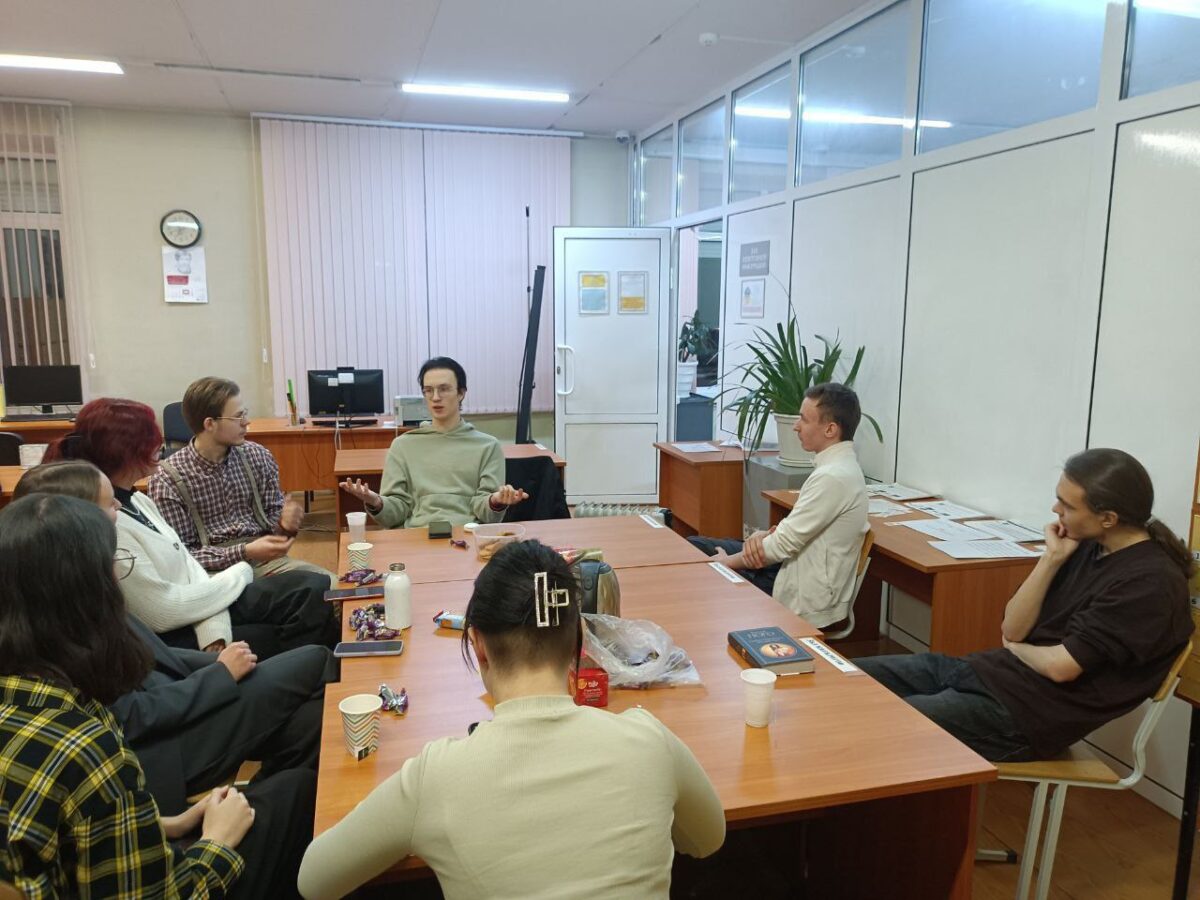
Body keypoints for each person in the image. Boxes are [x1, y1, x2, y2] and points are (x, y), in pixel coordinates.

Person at [297, 539, 726, 899]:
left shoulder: (437, 777)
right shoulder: (649, 741)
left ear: (478, 645)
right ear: (578, 641)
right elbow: (709, 840)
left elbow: (314, 880)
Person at [0, 493, 315, 899]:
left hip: (152, 808)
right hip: (180, 844)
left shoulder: (39, 692)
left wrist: (172, 822)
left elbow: (67, 834)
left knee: (301, 747)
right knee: (301, 789)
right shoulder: (84, 748)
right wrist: (216, 842)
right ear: (89, 595)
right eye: (111, 566)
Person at [13, 458, 331, 819]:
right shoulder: (58, 619)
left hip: (184, 701)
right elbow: (133, 716)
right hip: (168, 747)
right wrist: (218, 675)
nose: (119, 505)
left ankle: (280, 806)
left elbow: (155, 655)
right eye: (108, 502)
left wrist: (216, 662)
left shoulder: (74, 587)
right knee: (317, 659)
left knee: (311, 719)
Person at [857, 448, 1194, 762]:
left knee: (880, 723)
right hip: (993, 675)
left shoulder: (1149, 584)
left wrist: (1016, 649)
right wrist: (1051, 559)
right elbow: (1013, 627)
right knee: (851, 680)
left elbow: (1061, 667)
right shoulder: (1087, 544)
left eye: (1067, 505)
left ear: (1108, 518)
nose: (1056, 510)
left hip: (1027, 715)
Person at [42, 400, 339, 658]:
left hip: (203, 601)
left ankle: (314, 673)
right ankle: (304, 674)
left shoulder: (137, 500)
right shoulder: (109, 521)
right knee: (312, 608)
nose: (159, 446)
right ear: (123, 451)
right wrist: (241, 569)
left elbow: (188, 567)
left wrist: (214, 631)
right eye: (150, 440)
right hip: (176, 629)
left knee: (313, 586)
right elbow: (164, 610)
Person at [689, 382, 869, 627]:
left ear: (830, 429)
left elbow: (783, 545)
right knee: (694, 546)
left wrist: (726, 564)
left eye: (804, 419)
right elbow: (792, 533)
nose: (796, 426)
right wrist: (764, 537)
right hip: (789, 565)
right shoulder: (833, 468)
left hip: (799, 586)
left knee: (702, 570)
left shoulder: (833, 477)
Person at [148, 375, 333, 583]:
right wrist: (244, 551)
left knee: (332, 588)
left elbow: (275, 537)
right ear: (210, 424)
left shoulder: (257, 456)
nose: (247, 422)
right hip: (211, 577)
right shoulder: (167, 480)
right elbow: (182, 557)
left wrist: (285, 525)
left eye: (244, 413)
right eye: (238, 417)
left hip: (266, 564)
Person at [339, 356, 529, 528]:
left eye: (444, 389)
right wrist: (376, 501)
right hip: (417, 535)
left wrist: (495, 501)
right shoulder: (403, 445)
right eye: (428, 390)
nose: (436, 397)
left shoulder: (488, 446)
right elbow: (395, 514)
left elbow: (487, 516)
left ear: (461, 393)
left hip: (468, 536)